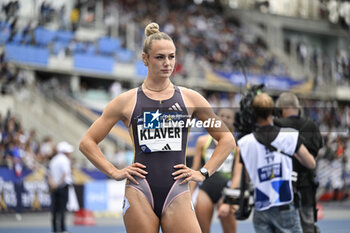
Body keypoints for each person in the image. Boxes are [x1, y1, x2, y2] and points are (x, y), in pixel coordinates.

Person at [79, 22, 236, 233]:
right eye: (160, 57)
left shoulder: (191, 99)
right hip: (139, 191)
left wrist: (203, 172)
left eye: (171, 57)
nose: (167, 63)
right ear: (145, 59)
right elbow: (87, 142)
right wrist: (114, 172)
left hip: (177, 192)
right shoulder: (126, 102)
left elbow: (226, 139)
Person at [232, 93, 316, 233]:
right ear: (273, 112)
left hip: (261, 207)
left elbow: (247, 177)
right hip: (284, 205)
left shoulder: (245, 143)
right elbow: (311, 163)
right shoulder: (289, 136)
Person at [274, 92, 323, 233]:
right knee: (307, 225)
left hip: (282, 185)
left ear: (281, 109)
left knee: (282, 227)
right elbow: (316, 153)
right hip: (307, 185)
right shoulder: (311, 125)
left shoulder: (277, 126)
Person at [191, 108, 237, 233]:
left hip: (227, 189)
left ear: (233, 121)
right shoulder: (203, 141)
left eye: (228, 117)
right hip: (206, 189)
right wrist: (188, 196)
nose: (225, 119)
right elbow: (195, 169)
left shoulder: (237, 144)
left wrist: (230, 200)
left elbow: (237, 175)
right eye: (222, 116)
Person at [48, 141, 74, 233]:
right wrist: (58, 185)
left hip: (54, 187)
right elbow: (64, 175)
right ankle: (63, 229)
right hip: (62, 186)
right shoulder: (65, 160)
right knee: (62, 209)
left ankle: (55, 228)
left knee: (55, 209)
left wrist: (53, 185)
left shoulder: (53, 160)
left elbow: (50, 175)